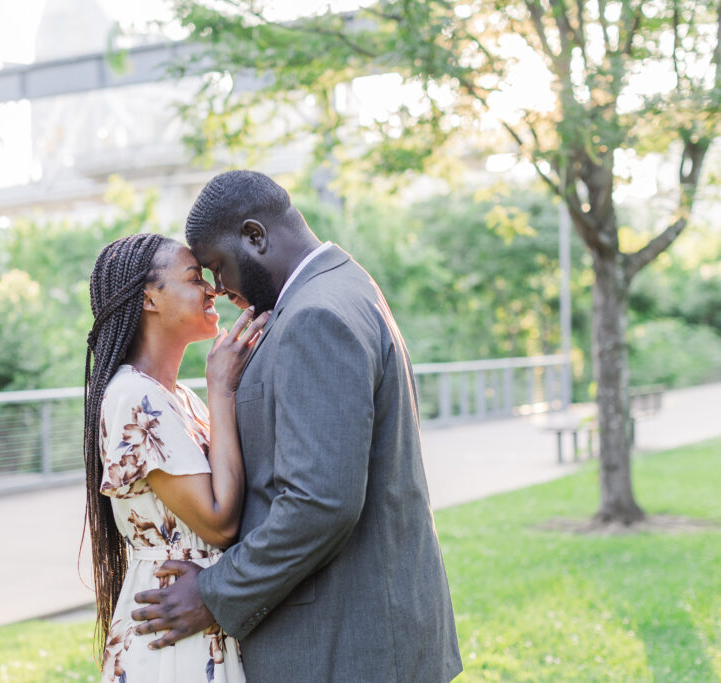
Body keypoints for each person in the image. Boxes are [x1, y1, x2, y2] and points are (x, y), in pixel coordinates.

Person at [130, 171, 463, 682]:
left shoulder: (315, 316)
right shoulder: (340, 287)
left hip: (348, 645)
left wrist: (215, 593)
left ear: (255, 236)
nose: (219, 289)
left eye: (218, 267)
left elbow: (319, 503)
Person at [82, 232, 269, 682]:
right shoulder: (133, 396)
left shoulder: (175, 396)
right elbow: (220, 521)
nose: (213, 289)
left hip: (197, 610)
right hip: (171, 625)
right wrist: (221, 388)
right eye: (194, 278)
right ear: (149, 298)